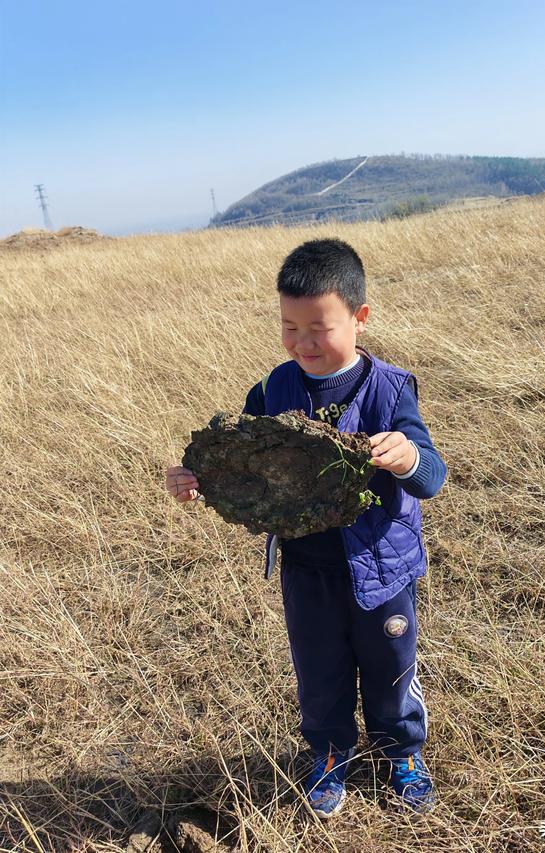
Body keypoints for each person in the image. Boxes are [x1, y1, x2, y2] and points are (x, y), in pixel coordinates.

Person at [166, 238, 448, 819]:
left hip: (381, 569)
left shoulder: (391, 389)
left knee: (391, 669)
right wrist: (197, 479)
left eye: (319, 328)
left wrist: (406, 458)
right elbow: (238, 458)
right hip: (306, 568)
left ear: (359, 318)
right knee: (319, 672)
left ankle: (402, 753)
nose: (303, 343)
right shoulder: (274, 389)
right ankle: (327, 756)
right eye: (289, 328)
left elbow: (432, 478)